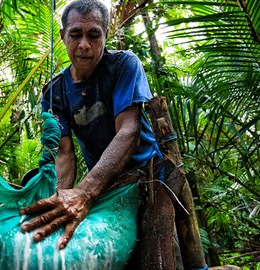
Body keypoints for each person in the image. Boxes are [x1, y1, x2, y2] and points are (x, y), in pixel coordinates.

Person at [20, 0, 160, 250]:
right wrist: (62, 200)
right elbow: (64, 155)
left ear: (106, 35)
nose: (84, 44)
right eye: (75, 34)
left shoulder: (123, 65)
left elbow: (128, 131)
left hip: (148, 175)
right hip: (105, 185)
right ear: (63, 36)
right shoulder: (55, 92)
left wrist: (84, 193)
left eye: (93, 35)